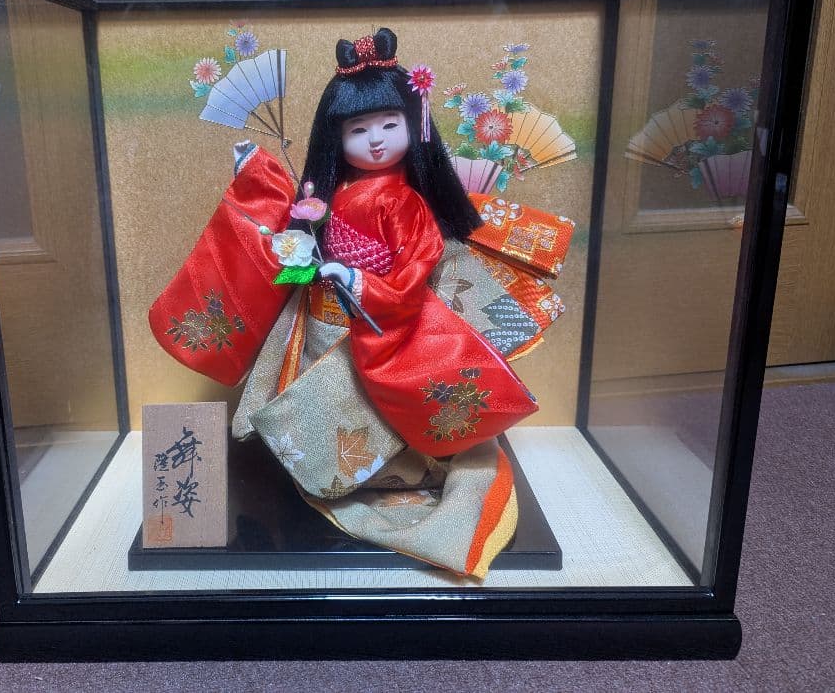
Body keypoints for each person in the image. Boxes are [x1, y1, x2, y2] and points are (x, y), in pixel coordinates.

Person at [152, 28, 560, 577]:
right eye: (358, 129)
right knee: (308, 396)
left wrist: (360, 281)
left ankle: (389, 473)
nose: (376, 141)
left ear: (414, 125)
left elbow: (415, 269)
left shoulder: (406, 201)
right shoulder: (334, 189)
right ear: (335, 134)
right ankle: (314, 468)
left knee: (368, 409)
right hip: (322, 318)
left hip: (374, 320)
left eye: (389, 125)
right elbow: (291, 217)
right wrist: (256, 170)